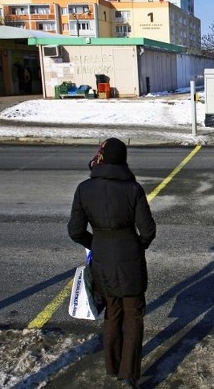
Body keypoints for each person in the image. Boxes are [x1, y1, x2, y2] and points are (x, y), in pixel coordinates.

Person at [68, 137, 156, 388]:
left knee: (112, 313)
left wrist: (95, 243)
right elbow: (148, 230)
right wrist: (139, 246)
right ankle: (129, 373)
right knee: (134, 315)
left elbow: (75, 230)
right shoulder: (133, 188)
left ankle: (112, 365)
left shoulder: (84, 189)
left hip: (103, 260)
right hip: (130, 259)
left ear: (102, 158)